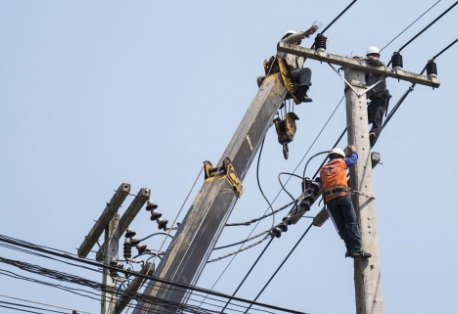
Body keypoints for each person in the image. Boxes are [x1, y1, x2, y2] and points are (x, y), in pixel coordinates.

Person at [319, 145, 372, 259]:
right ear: (341, 156)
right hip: (342, 196)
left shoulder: (323, 169)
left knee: (342, 227)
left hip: (330, 200)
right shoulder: (341, 162)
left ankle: (350, 248)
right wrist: (353, 151)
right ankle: (356, 248)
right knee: (351, 222)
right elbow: (353, 159)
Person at [257, 25, 318, 103]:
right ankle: (271, 98)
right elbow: (291, 38)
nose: (294, 40)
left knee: (306, 71)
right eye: (291, 37)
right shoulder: (282, 45)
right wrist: (305, 33)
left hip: (294, 74)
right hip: (281, 72)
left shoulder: (301, 52)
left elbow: (313, 51)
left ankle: (301, 94)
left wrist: (321, 43)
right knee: (260, 78)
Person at [353, 46, 391, 146]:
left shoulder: (380, 66)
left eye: (376, 55)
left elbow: (378, 62)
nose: (375, 57)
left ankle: (372, 139)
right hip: (372, 100)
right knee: (361, 119)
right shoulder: (367, 69)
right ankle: (361, 139)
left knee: (376, 121)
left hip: (380, 99)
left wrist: (364, 58)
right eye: (373, 55)